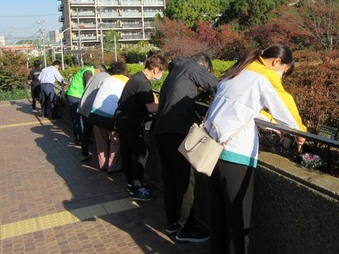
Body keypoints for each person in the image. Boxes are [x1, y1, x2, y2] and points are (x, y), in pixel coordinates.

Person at [204, 44, 307, 254]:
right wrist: (300, 132)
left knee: (219, 217)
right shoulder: (263, 76)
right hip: (235, 156)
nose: (280, 76)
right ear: (277, 62)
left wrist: (269, 120)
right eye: (284, 71)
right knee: (238, 224)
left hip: (211, 153)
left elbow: (243, 108)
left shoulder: (238, 72)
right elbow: (284, 108)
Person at [155, 53, 218, 242]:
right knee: (184, 182)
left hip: (161, 131)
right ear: (202, 65)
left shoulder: (176, 71)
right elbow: (219, 88)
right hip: (178, 132)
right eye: (205, 72)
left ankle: (172, 223)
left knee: (170, 179)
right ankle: (186, 229)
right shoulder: (193, 67)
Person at [114, 53, 168, 202]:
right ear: (156, 69)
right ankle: (137, 188)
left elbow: (150, 99)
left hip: (122, 118)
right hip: (131, 122)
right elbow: (152, 107)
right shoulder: (143, 83)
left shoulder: (137, 77)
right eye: (162, 71)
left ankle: (132, 184)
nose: (161, 75)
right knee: (141, 154)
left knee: (126, 152)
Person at [89, 61, 129, 173]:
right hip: (110, 116)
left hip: (95, 112)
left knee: (101, 141)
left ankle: (103, 165)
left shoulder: (107, 79)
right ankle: (113, 167)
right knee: (115, 140)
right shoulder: (125, 80)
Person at [78, 65, 108, 162]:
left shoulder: (93, 76)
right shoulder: (107, 77)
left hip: (84, 105)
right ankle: (104, 158)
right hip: (94, 108)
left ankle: (84, 153)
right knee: (102, 134)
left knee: (86, 131)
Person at [66, 65, 96, 144]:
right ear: (99, 70)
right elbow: (89, 87)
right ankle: (81, 139)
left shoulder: (86, 69)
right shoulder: (89, 72)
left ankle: (80, 138)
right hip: (76, 96)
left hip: (73, 95)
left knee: (77, 119)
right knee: (79, 119)